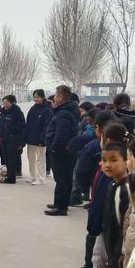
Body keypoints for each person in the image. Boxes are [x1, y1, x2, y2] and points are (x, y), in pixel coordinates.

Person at [69, 123, 130, 268]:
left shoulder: (123, 186)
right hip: (105, 227)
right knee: (99, 258)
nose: (107, 164)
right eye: (104, 161)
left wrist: (123, 244)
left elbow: (124, 218)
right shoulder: (112, 180)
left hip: (116, 233)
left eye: (113, 160)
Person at [76, 110, 115, 268]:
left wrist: (86, 190)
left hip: (101, 195)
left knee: (95, 229)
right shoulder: (125, 144)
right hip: (120, 197)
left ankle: (90, 267)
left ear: (98, 128)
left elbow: (82, 171)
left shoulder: (95, 146)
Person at [44, 85, 80, 215]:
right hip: (67, 150)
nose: (54, 97)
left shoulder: (64, 113)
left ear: (60, 96)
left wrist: (54, 149)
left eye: (55, 94)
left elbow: (61, 134)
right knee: (63, 179)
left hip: (61, 152)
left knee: (62, 179)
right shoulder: (68, 110)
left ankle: (61, 207)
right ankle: (59, 203)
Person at [25, 89, 53, 185]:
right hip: (31, 139)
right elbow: (28, 123)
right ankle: (32, 176)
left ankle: (41, 178)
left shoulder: (47, 110)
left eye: (38, 97)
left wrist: (43, 139)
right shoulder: (33, 109)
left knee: (40, 159)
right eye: (35, 97)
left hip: (41, 140)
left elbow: (47, 126)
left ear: (43, 97)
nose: (36, 99)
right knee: (31, 158)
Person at [0, 95, 26, 185]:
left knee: (12, 160)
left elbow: (22, 127)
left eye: (5, 102)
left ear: (11, 102)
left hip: (12, 140)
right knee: (6, 159)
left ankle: (11, 178)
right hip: (3, 139)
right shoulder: (3, 112)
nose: (4, 104)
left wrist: (20, 141)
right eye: (3, 102)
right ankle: (9, 175)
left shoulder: (17, 112)